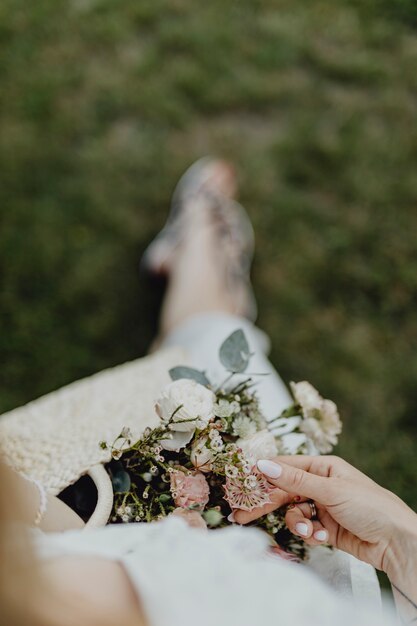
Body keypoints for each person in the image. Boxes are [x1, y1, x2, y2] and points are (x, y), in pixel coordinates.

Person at [0, 158, 416, 626]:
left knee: (205, 349)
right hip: (300, 581)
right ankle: (203, 248)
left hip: (107, 536)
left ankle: (200, 249)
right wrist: (402, 545)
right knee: (215, 342)